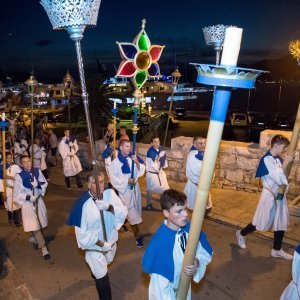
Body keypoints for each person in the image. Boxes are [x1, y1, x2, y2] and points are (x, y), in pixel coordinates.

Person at [142, 189, 213, 300]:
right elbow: (159, 291)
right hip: (169, 294)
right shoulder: (159, 244)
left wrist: (197, 262)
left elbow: (204, 252)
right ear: (166, 213)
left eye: (185, 209)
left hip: (185, 289)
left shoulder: (191, 228)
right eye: (179, 211)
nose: (185, 214)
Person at [67, 172, 128, 300]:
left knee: (107, 262)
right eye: (95, 182)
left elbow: (123, 211)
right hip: (95, 247)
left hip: (111, 242)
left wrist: (110, 207)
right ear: (88, 184)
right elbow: (83, 235)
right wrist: (101, 244)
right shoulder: (82, 205)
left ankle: (94, 272)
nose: (100, 185)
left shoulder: (110, 194)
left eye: (101, 181)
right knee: (103, 279)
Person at [236, 134, 295, 260]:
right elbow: (278, 177)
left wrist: (285, 163)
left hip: (280, 195)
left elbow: (283, 178)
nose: (284, 150)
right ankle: (241, 233)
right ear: (277, 145)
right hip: (269, 196)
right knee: (259, 222)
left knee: (280, 223)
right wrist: (286, 164)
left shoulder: (278, 158)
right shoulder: (266, 159)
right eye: (283, 147)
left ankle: (277, 250)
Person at [109, 139, 145, 248]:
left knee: (133, 210)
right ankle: (138, 237)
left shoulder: (131, 159)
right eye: (126, 146)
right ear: (120, 147)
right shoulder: (115, 163)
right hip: (125, 192)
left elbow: (140, 171)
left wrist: (137, 162)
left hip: (135, 189)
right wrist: (126, 181)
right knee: (133, 215)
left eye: (130, 146)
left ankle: (123, 223)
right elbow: (113, 179)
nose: (129, 148)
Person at [14, 155, 50, 259]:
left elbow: (45, 184)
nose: (27, 163)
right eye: (24, 162)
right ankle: (43, 247)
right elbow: (16, 194)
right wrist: (29, 197)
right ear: (21, 164)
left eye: (28, 161)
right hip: (28, 203)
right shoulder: (19, 176)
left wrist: (37, 185)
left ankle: (35, 238)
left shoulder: (37, 171)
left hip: (38, 200)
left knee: (40, 223)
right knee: (34, 225)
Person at [184, 136, 212, 211]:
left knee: (201, 209)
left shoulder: (202, 153)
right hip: (195, 187)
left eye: (204, 143)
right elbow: (200, 171)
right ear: (194, 144)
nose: (203, 145)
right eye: (200, 143)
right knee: (196, 210)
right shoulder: (192, 156)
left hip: (202, 185)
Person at [145, 137, 169, 210]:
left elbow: (164, 165)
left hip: (159, 173)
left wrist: (163, 157)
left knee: (165, 190)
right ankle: (148, 204)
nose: (157, 143)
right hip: (152, 174)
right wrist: (159, 156)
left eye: (158, 141)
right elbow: (154, 166)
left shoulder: (160, 150)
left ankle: (164, 205)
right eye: (155, 142)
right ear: (151, 143)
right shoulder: (150, 152)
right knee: (150, 190)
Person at [0, 152, 22, 226]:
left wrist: (10, 177)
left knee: (16, 205)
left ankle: (16, 221)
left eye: (10, 157)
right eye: (7, 157)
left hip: (15, 188)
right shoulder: (2, 167)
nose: (9, 159)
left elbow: (21, 177)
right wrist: (3, 192)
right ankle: (10, 219)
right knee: (9, 205)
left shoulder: (16, 166)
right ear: (5, 158)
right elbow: (1, 180)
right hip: (7, 189)